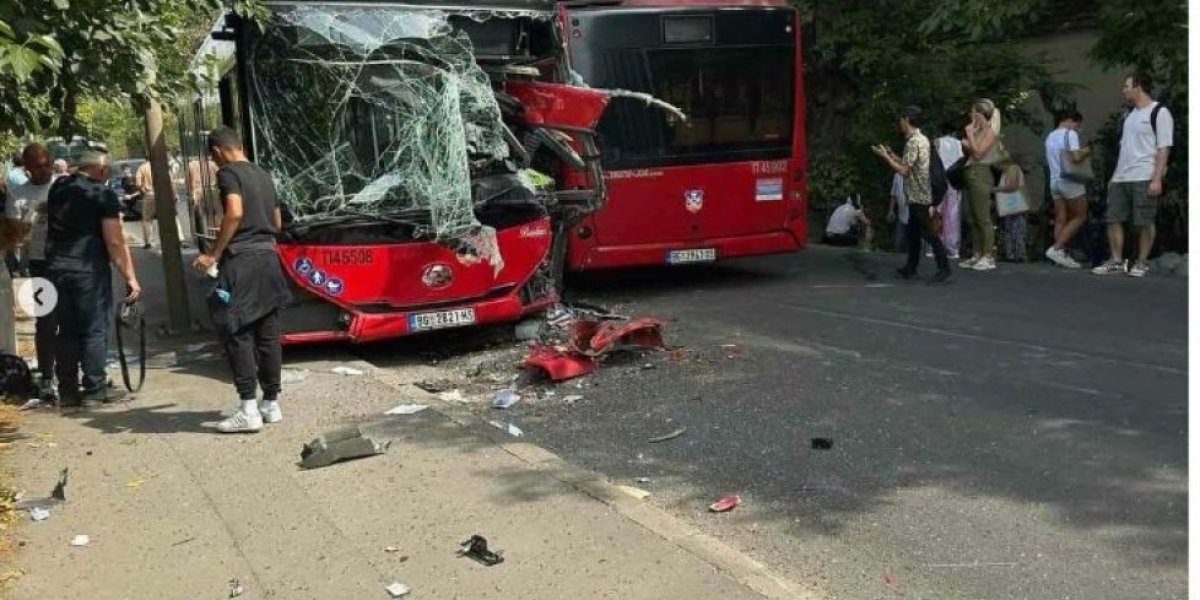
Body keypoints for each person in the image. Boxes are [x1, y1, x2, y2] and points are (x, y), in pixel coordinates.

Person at [193, 127, 290, 434]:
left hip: (242, 262)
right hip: (269, 260)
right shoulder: (263, 174)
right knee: (268, 334)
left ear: (218, 151)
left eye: (213, 157)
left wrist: (212, 254)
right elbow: (277, 222)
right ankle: (271, 403)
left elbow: (233, 213)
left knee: (237, 331)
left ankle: (248, 408)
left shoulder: (228, 174)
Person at [45, 151, 140, 407]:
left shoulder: (59, 187)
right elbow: (114, 240)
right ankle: (94, 388)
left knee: (66, 329)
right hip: (88, 269)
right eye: (107, 174)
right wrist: (130, 277)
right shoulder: (102, 194)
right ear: (100, 171)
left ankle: (67, 390)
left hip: (57, 268)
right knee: (94, 329)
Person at [1092, 72, 1174, 277]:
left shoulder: (1159, 112)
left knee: (1144, 220)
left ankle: (1142, 261)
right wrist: (1114, 176)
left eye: (1127, 86)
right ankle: (1117, 260)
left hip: (1144, 174)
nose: (1124, 90)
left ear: (1138, 88)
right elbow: (1125, 148)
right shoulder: (1129, 116)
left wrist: (1157, 178)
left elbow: (1164, 147)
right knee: (1113, 217)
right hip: (1122, 176)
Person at [871, 106, 950, 282]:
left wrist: (886, 158)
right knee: (914, 232)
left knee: (928, 233)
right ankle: (911, 266)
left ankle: (944, 267)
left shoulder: (914, 141)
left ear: (907, 120)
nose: (899, 124)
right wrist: (892, 154)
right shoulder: (920, 139)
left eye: (901, 120)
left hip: (919, 194)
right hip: (918, 193)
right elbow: (910, 164)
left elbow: (905, 171)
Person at [6, 143, 58, 400]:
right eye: (37, 167)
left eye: (47, 163)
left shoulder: (63, 186)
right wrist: (31, 222)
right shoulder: (18, 194)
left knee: (72, 318)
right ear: (26, 169)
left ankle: (76, 371)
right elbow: (13, 233)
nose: (44, 170)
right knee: (46, 319)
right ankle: (48, 374)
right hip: (39, 263)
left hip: (69, 262)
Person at [959, 98, 1006, 271]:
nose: (971, 116)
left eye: (973, 112)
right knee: (971, 216)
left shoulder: (991, 132)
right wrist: (969, 140)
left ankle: (988, 255)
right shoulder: (978, 131)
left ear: (980, 114)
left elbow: (978, 153)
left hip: (981, 172)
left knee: (983, 216)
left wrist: (969, 136)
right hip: (970, 172)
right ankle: (977, 253)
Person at [1044, 110, 1091, 268]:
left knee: (1061, 218)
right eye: (1078, 125)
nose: (1078, 129)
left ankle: (1059, 255)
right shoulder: (1070, 134)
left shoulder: (1050, 136)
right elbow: (1076, 157)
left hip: (1054, 181)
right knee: (1080, 215)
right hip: (1069, 180)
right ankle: (1057, 249)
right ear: (1070, 121)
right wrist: (1087, 150)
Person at [933, 122, 963, 259]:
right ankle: (952, 247)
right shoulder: (958, 143)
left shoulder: (937, 142)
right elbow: (960, 160)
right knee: (953, 213)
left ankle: (934, 245)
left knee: (937, 211)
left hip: (939, 179)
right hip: (953, 179)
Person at [994, 158, 1029, 262]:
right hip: (1011, 206)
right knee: (1011, 228)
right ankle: (1013, 253)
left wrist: (995, 189)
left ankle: (1017, 253)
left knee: (1015, 228)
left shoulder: (1012, 168)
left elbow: (1013, 186)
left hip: (1014, 205)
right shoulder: (1007, 170)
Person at [134, 161, 157, 249]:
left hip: (149, 194)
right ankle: (179, 239)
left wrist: (143, 191)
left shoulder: (142, 168)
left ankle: (148, 242)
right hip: (162, 194)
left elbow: (138, 184)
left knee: (147, 219)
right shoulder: (161, 165)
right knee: (170, 217)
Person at [886, 173, 909, 252]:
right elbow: (893, 195)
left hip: (915, 219)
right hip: (901, 217)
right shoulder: (897, 176)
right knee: (898, 245)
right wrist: (891, 210)